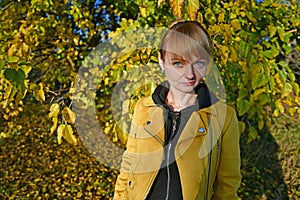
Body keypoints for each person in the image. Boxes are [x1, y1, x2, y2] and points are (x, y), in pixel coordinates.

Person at [113, 20, 241, 200]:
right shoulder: (143, 108)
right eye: (179, 63)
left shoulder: (223, 117)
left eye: (199, 63)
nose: (190, 74)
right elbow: (128, 167)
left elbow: (228, 186)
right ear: (161, 61)